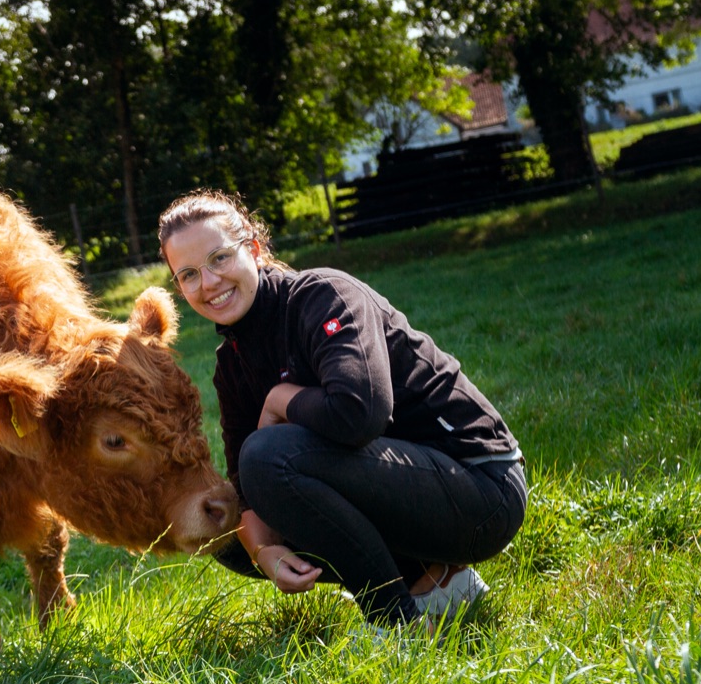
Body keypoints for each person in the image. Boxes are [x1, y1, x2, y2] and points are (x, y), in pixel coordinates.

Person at [158, 190, 527, 633]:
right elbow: (245, 482)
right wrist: (264, 553)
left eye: (219, 258)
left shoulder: (322, 296)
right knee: (225, 529)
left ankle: (396, 625)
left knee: (271, 456)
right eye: (189, 274)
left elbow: (360, 413)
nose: (209, 282)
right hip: (407, 490)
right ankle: (437, 583)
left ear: (253, 249)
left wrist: (279, 400)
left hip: (482, 489)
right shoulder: (231, 363)